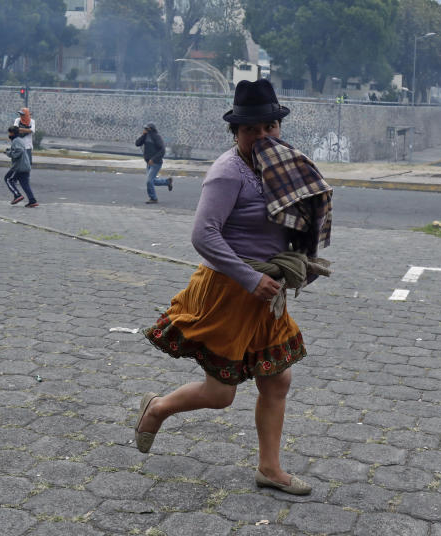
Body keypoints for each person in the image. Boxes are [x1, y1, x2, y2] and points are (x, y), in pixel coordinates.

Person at [135, 79, 332, 496]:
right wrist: (249, 277)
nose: (261, 136)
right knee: (221, 392)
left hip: (266, 292)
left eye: (268, 127)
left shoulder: (282, 167)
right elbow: (204, 236)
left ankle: (270, 468)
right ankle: (158, 408)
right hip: (229, 289)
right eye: (250, 130)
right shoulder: (228, 173)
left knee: (277, 381)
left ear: (277, 126)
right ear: (236, 133)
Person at [135, 122, 173, 204]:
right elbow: (137, 143)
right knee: (152, 181)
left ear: (151, 129)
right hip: (149, 163)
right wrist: (143, 135)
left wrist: (153, 159)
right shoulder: (145, 136)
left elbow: (162, 150)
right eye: (144, 129)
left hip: (156, 163)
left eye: (147, 129)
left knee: (149, 181)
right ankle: (167, 182)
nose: (145, 130)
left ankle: (153, 198)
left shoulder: (156, 137)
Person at [3, 125, 38, 207]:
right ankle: (32, 201)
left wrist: (9, 153)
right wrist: (10, 151)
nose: (9, 134)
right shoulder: (19, 140)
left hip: (19, 167)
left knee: (8, 179)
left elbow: (18, 151)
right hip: (25, 166)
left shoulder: (16, 140)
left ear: (13, 133)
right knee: (25, 184)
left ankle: (17, 195)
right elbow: (17, 150)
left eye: (10, 133)